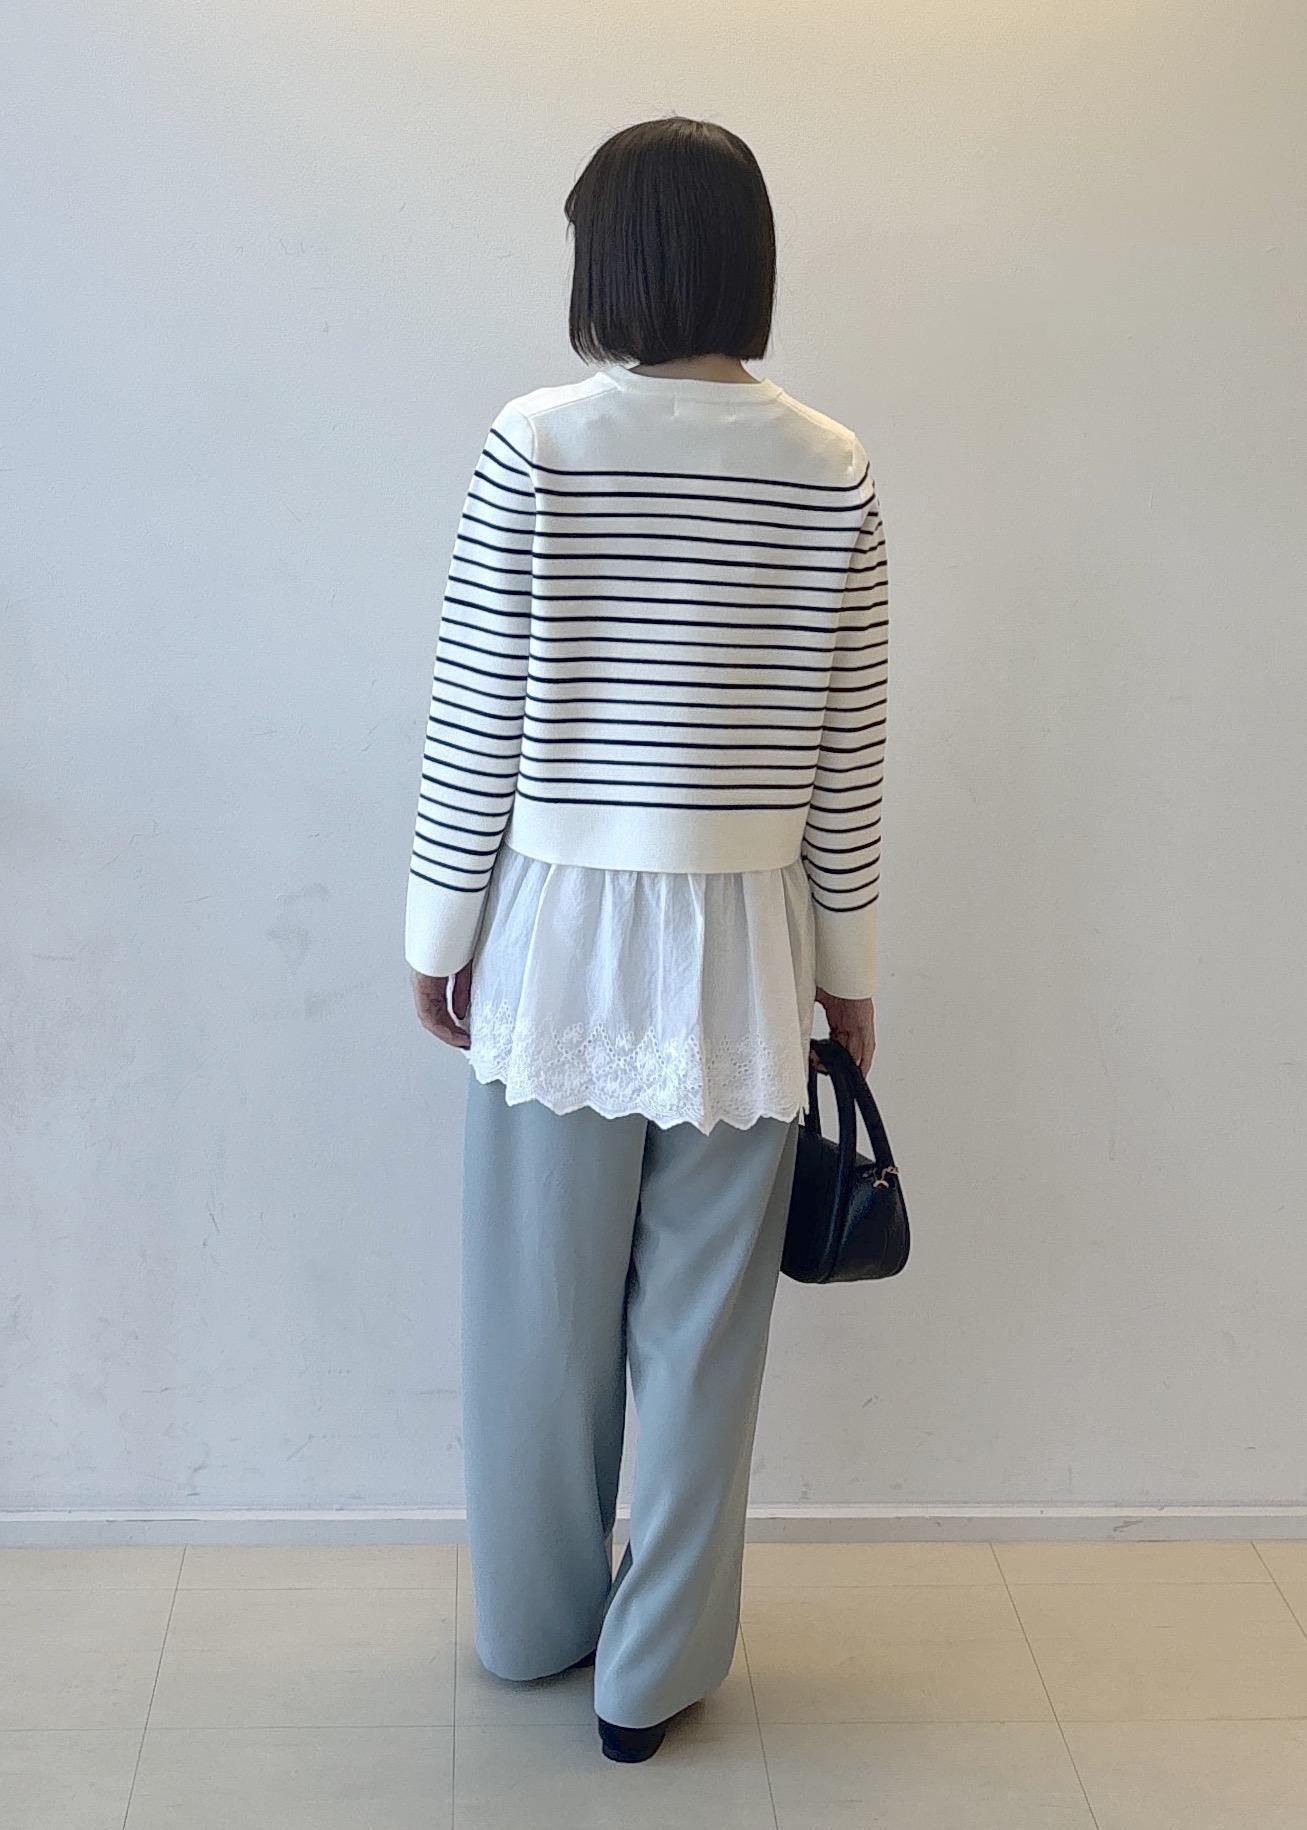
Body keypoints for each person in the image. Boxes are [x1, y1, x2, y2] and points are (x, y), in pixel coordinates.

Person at [405, 114, 889, 1763]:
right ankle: (652, 1670)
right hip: (746, 945)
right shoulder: (829, 464)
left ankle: (537, 1622)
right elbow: (847, 751)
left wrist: (438, 924)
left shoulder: (538, 443)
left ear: (610, 256)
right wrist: (847, 974)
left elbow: (476, 713)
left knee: (535, 1316)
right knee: (703, 1329)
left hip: (560, 933)